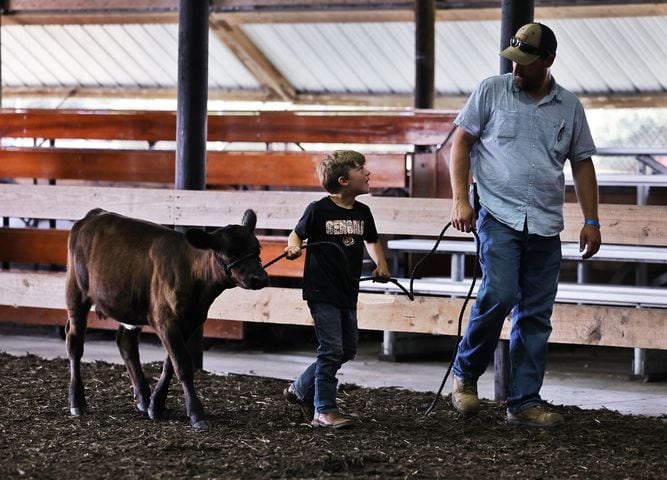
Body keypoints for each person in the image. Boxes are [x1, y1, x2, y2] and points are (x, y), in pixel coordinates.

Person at [449, 22, 601, 427]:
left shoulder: (569, 106)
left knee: (535, 314)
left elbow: (582, 162)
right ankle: (465, 374)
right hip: (498, 215)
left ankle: (524, 401)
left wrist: (591, 220)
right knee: (497, 295)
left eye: (526, 63)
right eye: (513, 61)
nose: (516, 69)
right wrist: (462, 199)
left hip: (546, 224)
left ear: (548, 61)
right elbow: (461, 142)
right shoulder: (491, 90)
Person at [282, 150, 390, 429]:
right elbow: (297, 233)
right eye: (360, 169)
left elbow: (372, 240)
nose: (368, 173)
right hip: (321, 290)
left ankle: (300, 388)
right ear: (343, 180)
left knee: (346, 350)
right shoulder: (318, 209)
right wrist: (294, 247)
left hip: (347, 290)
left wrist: (381, 264)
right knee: (331, 350)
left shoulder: (362, 212)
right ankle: (324, 410)